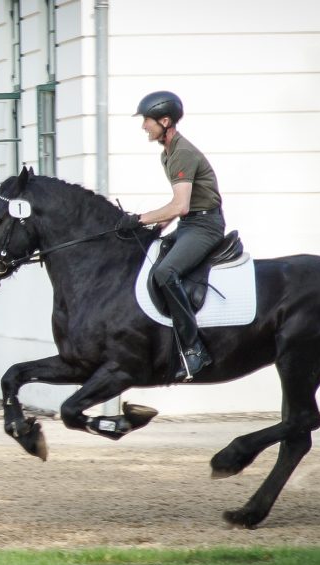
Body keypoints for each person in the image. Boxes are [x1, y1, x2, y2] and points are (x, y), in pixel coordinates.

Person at [127, 90, 226, 382]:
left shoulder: (182, 153)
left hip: (205, 226)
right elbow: (181, 206)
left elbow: (181, 205)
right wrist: (155, 228)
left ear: (165, 121)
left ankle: (194, 350)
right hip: (188, 225)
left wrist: (139, 219)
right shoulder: (167, 154)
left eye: (147, 121)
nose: (144, 126)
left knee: (165, 272)